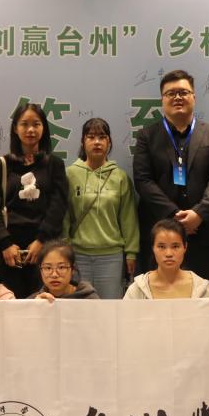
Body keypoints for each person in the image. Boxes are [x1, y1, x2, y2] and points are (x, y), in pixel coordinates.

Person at [133, 69, 209, 286]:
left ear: (194, 97)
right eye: (171, 93)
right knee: (156, 296)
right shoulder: (147, 136)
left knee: (202, 296)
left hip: (201, 233)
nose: (177, 97)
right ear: (162, 100)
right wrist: (173, 215)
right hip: (159, 234)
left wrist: (198, 214)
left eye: (183, 92)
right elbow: (143, 181)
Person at [0, 103, 70, 299]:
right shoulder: (2, 165)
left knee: (42, 303)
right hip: (8, 253)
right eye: (24, 124)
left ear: (44, 128)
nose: (30, 130)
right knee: (10, 305)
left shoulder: (55, 164)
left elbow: (58, 207)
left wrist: (41, 241)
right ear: (15, 128)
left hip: (44, 250)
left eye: (36, 124)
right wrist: (5, 244)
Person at [63, 118, 139, 299]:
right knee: (80, 307)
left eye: (102, 137)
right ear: (83, 142)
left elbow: (128, 217)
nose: (96, 142)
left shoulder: (120, 177)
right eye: (91, 137)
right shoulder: (70, 174)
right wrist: (65, 248)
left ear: (109, 142)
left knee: (110, 308)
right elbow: (64, 216)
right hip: (78, 255)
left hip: (111, 256)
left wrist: (131, 252)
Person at [124, 219, 209, 299]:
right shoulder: (137, 289)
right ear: (153, 248)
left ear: (185, 247)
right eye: (161, 247)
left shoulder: (201, 287)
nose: (169, 254)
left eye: (175, 246)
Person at [31, 240, 100, 301]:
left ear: (72, 270)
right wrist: (35, 307)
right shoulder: (34, 300)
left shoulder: (89, 299)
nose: (54, 275)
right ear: (41, 270)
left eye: (61, 267)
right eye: (48, 268)